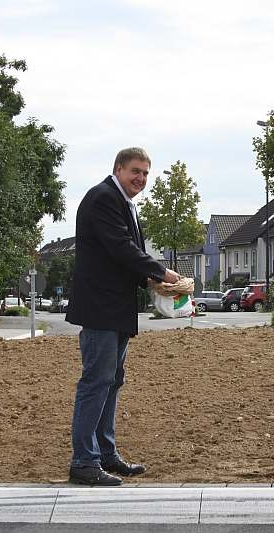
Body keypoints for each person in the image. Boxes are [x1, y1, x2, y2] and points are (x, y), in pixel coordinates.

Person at [65, 147, 180, 486]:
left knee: (111, 383)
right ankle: (84, 463)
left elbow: (120, 257)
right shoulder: (103, 198)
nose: (140, 179)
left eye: (145, 173)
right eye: (135, 171)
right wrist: (161, 272)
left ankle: (105, 453)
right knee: (96, 383)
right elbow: (120, 248)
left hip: (114, 310)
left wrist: (148, 278)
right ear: (117, 169)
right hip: (101, 310)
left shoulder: (122, 203)